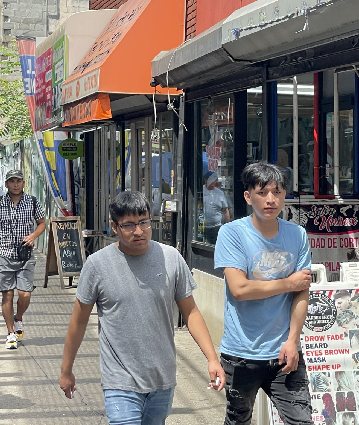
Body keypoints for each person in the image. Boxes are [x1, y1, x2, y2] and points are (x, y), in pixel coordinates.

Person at [59, 190, 224, 424]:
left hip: (162, 378)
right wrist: (66, 370)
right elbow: (79, 321)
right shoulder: (97, 265)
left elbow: (191, 311)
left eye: (144, 222)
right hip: (120, 381)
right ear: (114, 227)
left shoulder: (171, 258)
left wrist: (212, 359)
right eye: (128, 225)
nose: (139, 231)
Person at [215, 161, 312, 425]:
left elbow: (301, 294)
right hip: (241, 353)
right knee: (238, 420)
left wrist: (293, 341)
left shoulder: (298, 235)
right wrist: (288, 283)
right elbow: (240, 289)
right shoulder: (232, 233)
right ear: (248, 196)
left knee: (301, 421)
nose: (271, 199)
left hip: (284, 352)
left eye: (278, 192)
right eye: (262, 192)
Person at [0, 169, 46, 350]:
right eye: (12, 181)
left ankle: (18, 318)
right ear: (6, 184)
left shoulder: (32, 202)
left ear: (23, 183)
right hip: (4, 254)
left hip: (25, 255)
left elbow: (42, 223)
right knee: (7, 294)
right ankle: (10, 333)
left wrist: (33, 235)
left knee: (25, 293)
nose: (15, 184)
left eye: (18, 181)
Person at [202, 170, 230, 243]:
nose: (212, 183)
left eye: (214, 180)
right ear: (205, 180)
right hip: (203, 227)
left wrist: (227, 226)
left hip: (217, 227)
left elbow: (225, 210)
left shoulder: (220, 193)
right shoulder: (200, 191)